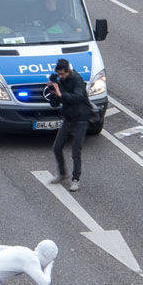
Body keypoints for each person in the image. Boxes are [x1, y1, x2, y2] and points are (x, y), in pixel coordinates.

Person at [46, 58, 92, 191]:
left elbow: (78, 98)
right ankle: (62, 173)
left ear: (68, 71)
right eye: (58, 75)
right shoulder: (59, 80)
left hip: (81, 118)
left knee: (75, 151)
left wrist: (61, 94)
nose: (60, 77)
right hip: (68, 118)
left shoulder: (77, 80)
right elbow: (54, 103)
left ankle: (75, 179)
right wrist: (52, 91)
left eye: (62, 74)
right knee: (57, 147)